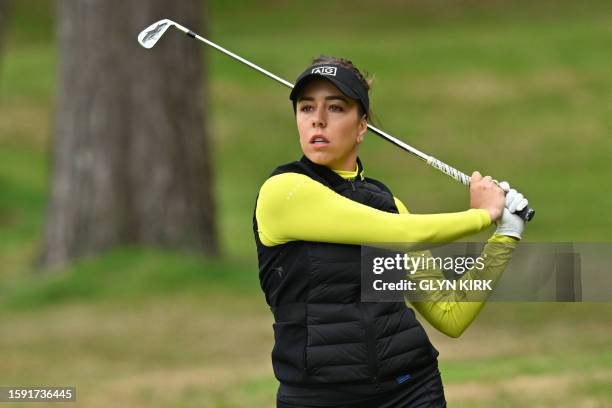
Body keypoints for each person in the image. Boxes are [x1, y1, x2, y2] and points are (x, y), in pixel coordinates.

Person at [253, 56, 528, 408]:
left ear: (362, 126)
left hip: (410, 389)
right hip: (319, 397)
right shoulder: (285, 192)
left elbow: (450, 313)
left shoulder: (387, 203)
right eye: (307, 108)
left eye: (335, 108)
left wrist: (505, 234)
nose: (317, 119)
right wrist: (480, 214)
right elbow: (398, 233)